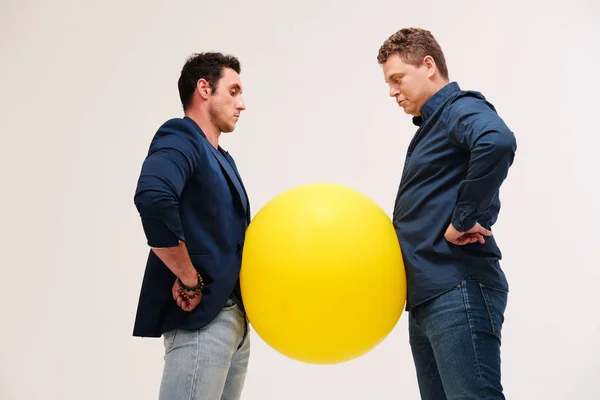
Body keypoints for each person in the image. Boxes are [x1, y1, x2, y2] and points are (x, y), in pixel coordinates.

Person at [377, 28, 517, 399]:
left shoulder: (459, 108)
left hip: (457, 289)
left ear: (428, 65)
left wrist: (463, 219)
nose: (392, 91)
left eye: (397, 79)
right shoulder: (434, 126)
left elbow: (497, 140)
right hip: (428, 297)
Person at [132, 52, 251, 400]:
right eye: (233, 91)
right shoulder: (181, 135)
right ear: (204, 88)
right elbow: (153, 198)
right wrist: (188, 278)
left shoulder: (223, 159)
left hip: (236, 323)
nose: (242, 103)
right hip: (204, 320)